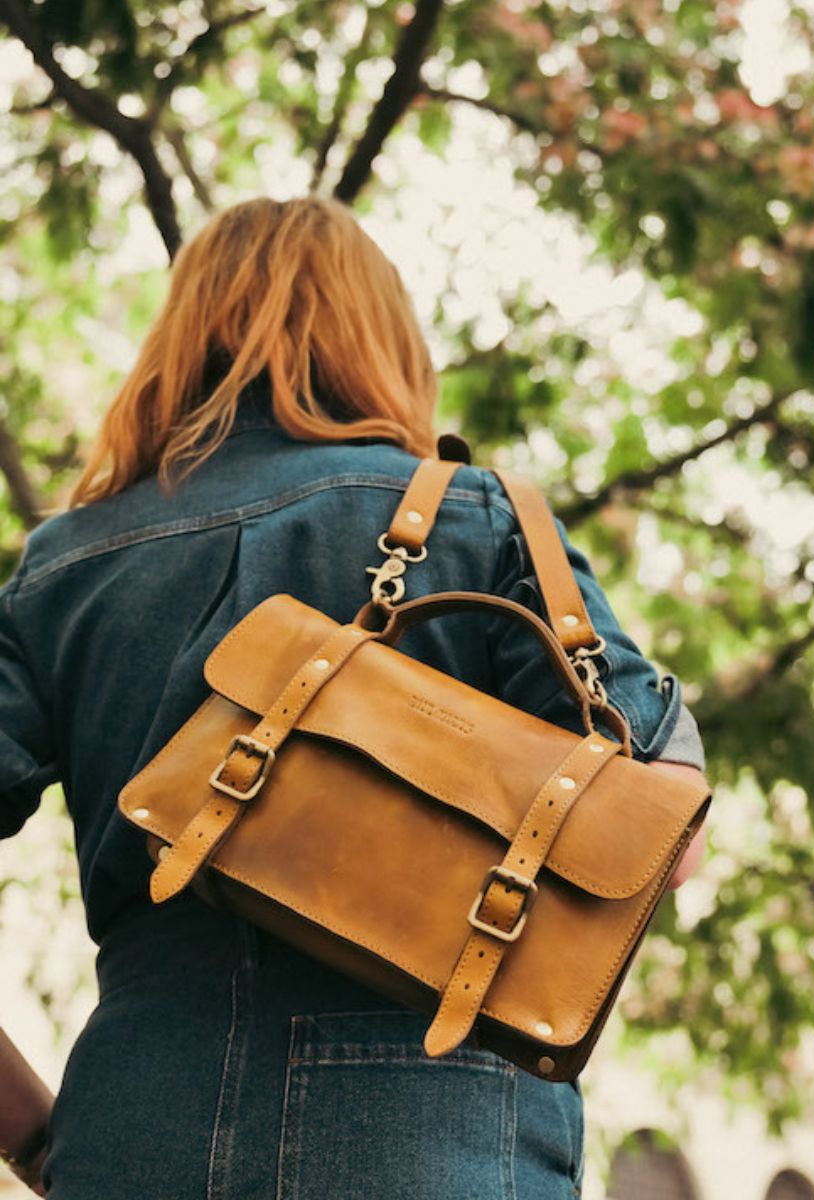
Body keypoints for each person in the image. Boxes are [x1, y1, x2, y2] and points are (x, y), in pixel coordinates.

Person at [0, 195, 708, 1199]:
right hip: (444, 1134)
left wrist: (35, 1137)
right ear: (384, 343)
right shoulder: (486, 526)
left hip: (134, 1124)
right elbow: (668, 839)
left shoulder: (63, 569)